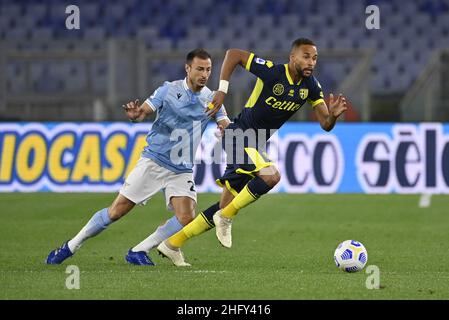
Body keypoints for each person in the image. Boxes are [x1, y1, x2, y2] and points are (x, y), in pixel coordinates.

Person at [156, 38, 348, 266]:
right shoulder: (273, 72)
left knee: (224, 204)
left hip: (254, 144)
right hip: (238, 135)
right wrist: (222, 90)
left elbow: (325, 124)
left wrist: (333, 116)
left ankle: (172, 244)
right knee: (271, 175)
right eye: (306, 56)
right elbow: (234, 54)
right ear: (292, 57)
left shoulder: (311, 87)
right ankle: (226, 218)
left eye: (314, 58)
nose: (311, 62)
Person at [46, 49, 230, 265]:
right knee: (116, 212)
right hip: (154, 162)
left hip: (181, 169)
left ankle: (138, 251)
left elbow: (225, 123)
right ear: (187, 68)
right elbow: (143, 111)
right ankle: (70, 246)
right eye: (200, 69)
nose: (204, 74)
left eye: (208, 69)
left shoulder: (212, 99)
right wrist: (136, 115)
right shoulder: (168, 90)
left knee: (186, 217)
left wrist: (227, 130)